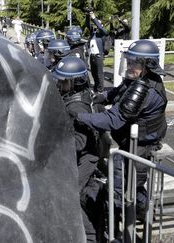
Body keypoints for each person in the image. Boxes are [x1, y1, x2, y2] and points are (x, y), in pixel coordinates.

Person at [73, 40, 167, 223]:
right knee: (131, 184)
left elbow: (112, 120)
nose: (129, 66)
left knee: (127, 186)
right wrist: (103, 96)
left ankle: (121, 224)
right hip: (132, 141)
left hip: (141, 145)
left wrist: (80, 117)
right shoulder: (138, 79)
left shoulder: (144, 89)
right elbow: (120, 92)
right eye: (128, 61)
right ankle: (142, 213)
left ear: (148, 65)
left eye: (134, 62)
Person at [53, 56, 106, 242]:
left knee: (74, 198)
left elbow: (80, 142)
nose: (59, 83)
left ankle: (91, 237)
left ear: (76, 81)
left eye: (63, 80)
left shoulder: (77, 104)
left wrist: (53, 140)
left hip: (85, 158)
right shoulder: (73, 96)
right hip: (81, 158)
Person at [85, 9, 108, 93]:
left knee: (99, 74)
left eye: (97, 23)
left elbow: (100, 27)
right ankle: (96, 88)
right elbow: (87, 24)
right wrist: (88, 15)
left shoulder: (102, 33)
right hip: (92, 56)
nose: (95, 25)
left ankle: (101, 90)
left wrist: (94, 18)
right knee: (94, 74)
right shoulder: (93, 33)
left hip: (99, 56)